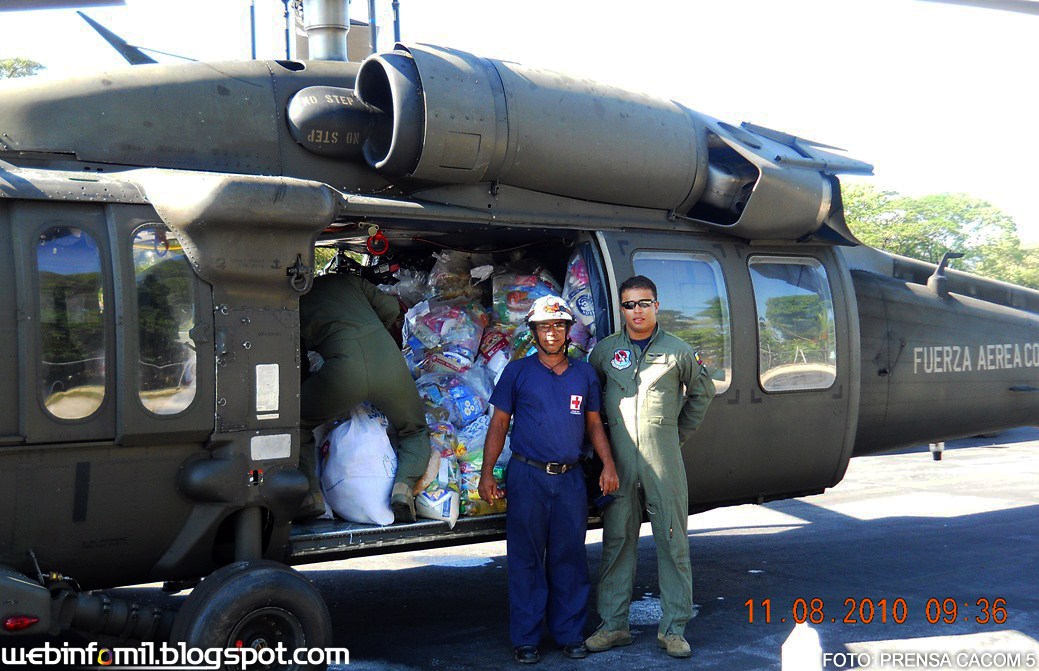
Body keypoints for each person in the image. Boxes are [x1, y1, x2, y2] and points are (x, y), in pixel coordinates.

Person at [480, 295, 619, 665]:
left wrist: (608, 464)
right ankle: (526, 638)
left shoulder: (584, 374)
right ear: (534, 332)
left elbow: (594, 424)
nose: (552, 332)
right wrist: (486, 473)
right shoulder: (517, 372)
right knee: (525, 558)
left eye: (558, 325)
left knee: (569, 557)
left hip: (570, 480)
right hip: (527, 476)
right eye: (544, 326)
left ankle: (569, 633)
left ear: (568, 330)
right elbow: (499, 424)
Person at [584, 275, 715, 659]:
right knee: (616, 541)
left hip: (663, 462)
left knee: (672, 542)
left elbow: (702, 393)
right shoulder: (604, 353)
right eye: (629, 305)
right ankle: (613, 625)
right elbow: (592, 404)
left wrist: (674, 436)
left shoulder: (678, 351)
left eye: (644, 303)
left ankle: (673, 629)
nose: (637, 311)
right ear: (621, 309)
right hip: (619, 464)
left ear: (656, 305)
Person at [298, 271, 430, 522]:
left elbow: (298, 359)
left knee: (298, 423)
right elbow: (391, 308)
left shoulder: (292, 298)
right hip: (389, 362)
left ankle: (310, 496)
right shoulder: (344, 279)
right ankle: (403, 488)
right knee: (414, 429)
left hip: (343, 372)